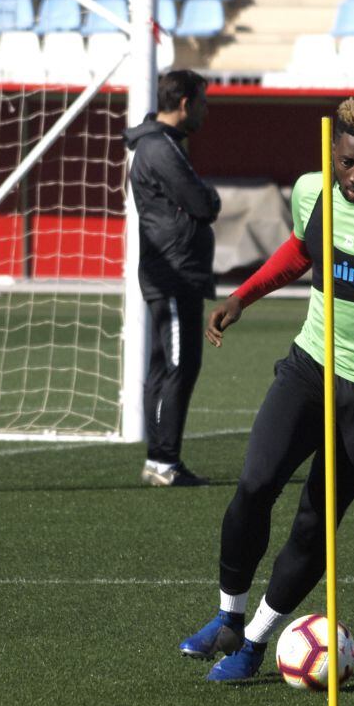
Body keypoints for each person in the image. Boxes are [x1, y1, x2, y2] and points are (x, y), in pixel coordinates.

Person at [178, 97, 354, 682]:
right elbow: (301, 253)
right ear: (334, 150)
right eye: (347, 163)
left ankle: (254, 643)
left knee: (312, 523)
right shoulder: (312, 191)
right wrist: (241, 296)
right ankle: (227, 615)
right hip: (307, 370)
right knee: (254, 486)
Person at [123, 69, 220, 486]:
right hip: (173, 272)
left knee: (168, 366)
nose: (205, 110)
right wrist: (209, 198)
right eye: (201, 101)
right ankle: (164, 460)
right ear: (184, 103)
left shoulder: (160, 145)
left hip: (175, 270)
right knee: (179, 364)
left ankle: (160, 459)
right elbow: (202, 202)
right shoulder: (159, 148)